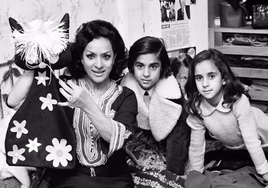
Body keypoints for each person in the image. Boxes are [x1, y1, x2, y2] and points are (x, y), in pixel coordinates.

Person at [7, 19, 138, 188]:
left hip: (116, 179)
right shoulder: (64, 87)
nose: (99, 65)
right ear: (81, 59)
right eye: (90, 56)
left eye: (106, 56)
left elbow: (117, 140)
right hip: (70, 179)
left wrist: (87, 104)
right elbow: (14, 101)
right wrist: (35, 60)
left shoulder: (126, 96)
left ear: (115, 59)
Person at [184, 48, 268, 181]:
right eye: (199, 78)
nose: (205, 84)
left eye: (211, 76)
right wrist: (195, 177)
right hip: (241, 148)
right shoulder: (197, 108)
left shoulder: (239, 102)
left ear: (223, 79)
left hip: (263, 136)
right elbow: (196, 147)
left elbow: (252, 141)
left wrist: (265, 173)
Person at [121, 36, 190, 187]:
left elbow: (179, 137)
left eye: (153, 67)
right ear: (132, 67)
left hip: (173, 141)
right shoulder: (123, 89)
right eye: (140, 66)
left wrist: (172, 176)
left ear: (162, 66)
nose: (146, 74)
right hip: (142, 140)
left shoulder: (173, 93)